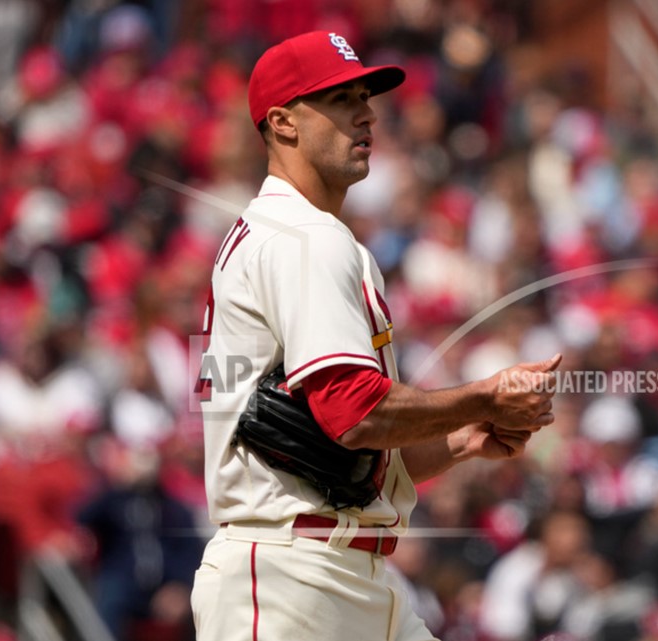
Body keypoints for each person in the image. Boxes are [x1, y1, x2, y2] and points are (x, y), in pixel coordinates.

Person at [190, 31, 560, 641]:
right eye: (338, 100)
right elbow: (354, 413)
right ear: (282, 123)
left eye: (364, 95)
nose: (366, 113)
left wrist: (463, 438)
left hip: (343, 573)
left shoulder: (289, 233)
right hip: (291, 579)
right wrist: (484, 397)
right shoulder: (305, 237)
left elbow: (345, 446)